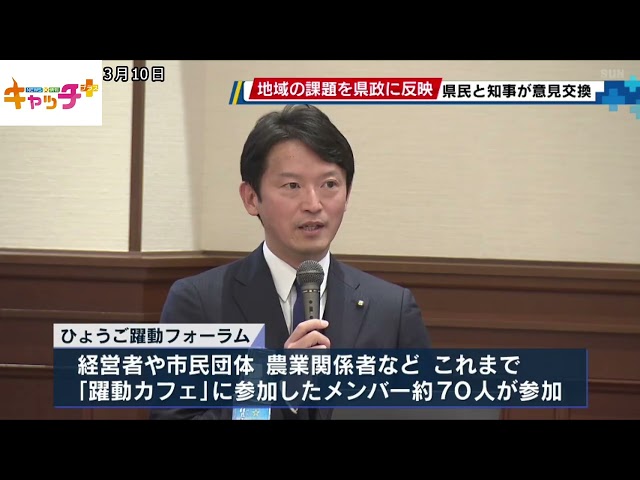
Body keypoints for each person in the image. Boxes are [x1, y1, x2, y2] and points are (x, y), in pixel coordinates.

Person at [150, 104, 431, 420]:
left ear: (348, 194)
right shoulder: (199, 302)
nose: (313, 204)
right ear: (251, 198)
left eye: (329, 184)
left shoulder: (392, 309)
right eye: (292, 186)